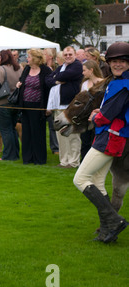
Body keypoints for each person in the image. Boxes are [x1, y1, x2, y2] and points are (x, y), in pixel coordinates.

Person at [73, 42, 129, 243]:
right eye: (115, 61)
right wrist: (100, 113)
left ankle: (114, 222)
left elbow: (109, 114)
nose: (118, 64)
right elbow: (111, 110)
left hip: (110, 136)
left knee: (80, 179)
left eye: (122, 61)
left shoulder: (122, 84)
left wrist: (97, 117)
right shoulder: (119, 81)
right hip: (112, 135)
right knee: (97, 181)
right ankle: (108, 231)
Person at [46, 46, 83, 168]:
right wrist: (57, 80)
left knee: (72, 134)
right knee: (60, 134)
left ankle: (73, 162)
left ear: (75, 55)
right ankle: (64, 160)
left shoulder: (77, 66)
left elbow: (64, 76)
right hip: (59, 105)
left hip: (71, 106)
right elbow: (48, 80)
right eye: (66, 55)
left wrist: (57, 78)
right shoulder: (62, 67)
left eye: (70, 54)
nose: (67, 56)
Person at [15, 48, 52, 165]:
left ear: (36, 58)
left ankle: (39, 159)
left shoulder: (45, 70)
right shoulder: (26, 69)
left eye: (29, 57)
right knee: (26, 132)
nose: (27, 59)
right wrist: (18, 84)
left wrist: (48, 107)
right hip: (25, 105)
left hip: (39, 106)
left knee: (38, 132)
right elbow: (22, 81)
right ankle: (27, 158)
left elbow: (49, 89)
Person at [0, 49, 23, 161]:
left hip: (2, 103)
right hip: (15, 103)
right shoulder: (19, 68)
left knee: (5, 130)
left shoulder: (1, 69)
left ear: (2, 58)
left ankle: (8, 156)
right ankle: (15, 154)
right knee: (12, 130)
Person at [79, 60, 104, 161]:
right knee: (85, 140)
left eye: (84, 70)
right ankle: (84, 161)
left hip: (98, 115)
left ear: (91, 70)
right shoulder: (84, 83)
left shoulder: (102, 83)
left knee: (96, 140)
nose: (82, 73)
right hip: (85, 116)